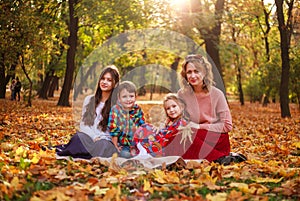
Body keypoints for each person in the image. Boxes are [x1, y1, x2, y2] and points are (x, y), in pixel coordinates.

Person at [172, 54, 246, 165]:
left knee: (189, 136)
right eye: (189, 72)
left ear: (205, 72)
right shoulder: (182, 94)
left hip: (214, 138)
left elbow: (227, 125)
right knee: (177, 136)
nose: (193, 75)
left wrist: (198, 127)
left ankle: (218, 157)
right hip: (192, 136)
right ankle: (219, 158)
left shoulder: (217, 94)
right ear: (185, 75)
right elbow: (179, 120)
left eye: (197, 71)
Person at [55, 65, 120, 159]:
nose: (104, 82)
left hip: (105, 140)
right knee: (77, 137)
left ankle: (86, 154)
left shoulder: (117, 105)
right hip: (89, 138)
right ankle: (87, 153)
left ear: (115, 84)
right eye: (103, 79)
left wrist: (101, 138)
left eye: (109, 80)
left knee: (103, 145)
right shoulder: (89, 100)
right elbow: (83, 125)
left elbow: (116, 130)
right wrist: (94, 137)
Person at [108, 81, 146, 158]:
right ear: (119, 98)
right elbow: (113, 129)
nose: (128, 99)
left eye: (131, 96)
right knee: (125, 155)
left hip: (136, 144)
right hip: (123, 145)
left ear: (136, 97)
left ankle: (138, 154)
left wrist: (140, 145)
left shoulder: (137, 109)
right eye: (124, 97)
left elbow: (142, 126)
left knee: (147, 154)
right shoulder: (116, 110)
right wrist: (115, 147)